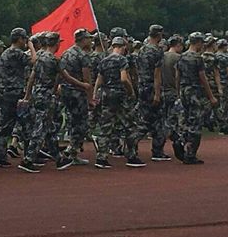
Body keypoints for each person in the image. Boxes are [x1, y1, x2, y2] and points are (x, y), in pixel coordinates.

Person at [18, 32, 73, 173]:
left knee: (49, 128)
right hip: (47, 96)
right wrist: (83, 85)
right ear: (56, 43)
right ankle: (28, 159)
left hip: (37, 94)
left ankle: (59, 159)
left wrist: (27, 95)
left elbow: (32, 78)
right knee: (41, 128)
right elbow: (65, 77)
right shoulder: (54, 60)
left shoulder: (40, 58)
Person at [92, 36, 142, 169]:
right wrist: (131, 91)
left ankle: (101, 157)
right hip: (119, 95)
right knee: (130, 125)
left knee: (106, 126)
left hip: (106, 94)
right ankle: (132, 155)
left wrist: (95, 94)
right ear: (123, 47)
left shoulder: (104, 60)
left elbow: (99, 79)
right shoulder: (122, 60)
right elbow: (124, 79)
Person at [0, 28, 36, 165]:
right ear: (20, 39)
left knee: (4, 125)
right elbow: (34, 61)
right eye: (24, 39)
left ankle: (0, 156)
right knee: (28, 124)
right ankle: (29, 156)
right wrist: (31, 46)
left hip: (5, 92)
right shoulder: (17, 53)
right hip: (16, 93)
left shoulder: (5, 52)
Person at [175, 32, 217, 164]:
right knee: (196, 122)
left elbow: (177, 75)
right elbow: (203, 78)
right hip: (194, 91)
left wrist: (178, 91)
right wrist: (211, 96)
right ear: (198, 42)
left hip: (184, 90)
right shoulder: (198, 58)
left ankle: (180, 140)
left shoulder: (182, 57)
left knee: (186, 119)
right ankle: (190, 153)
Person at [58, 28, 94, 165]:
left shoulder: (66, 53)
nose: (90, 41)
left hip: (65, 91)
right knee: (82, 124)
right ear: (83, 40)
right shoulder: (83, 56)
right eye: (88, 38)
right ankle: (72, 151)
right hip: (78, 93)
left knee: (72, 121)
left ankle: (71, 150)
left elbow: (61, 72)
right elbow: (87, 79)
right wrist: (90, 98)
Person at [135, 25, 169, 161]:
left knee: (145, 117)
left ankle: (132, 145)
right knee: (158, 120)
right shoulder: (157, 51)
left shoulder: (142, 50)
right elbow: (157, 74)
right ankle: (157, 150)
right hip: (151, 88)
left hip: (142, 87)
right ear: (159, 35)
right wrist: (157, 94)